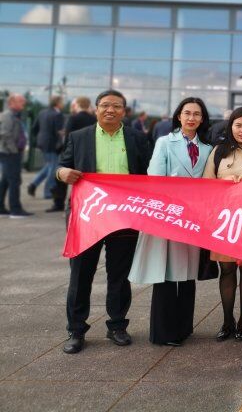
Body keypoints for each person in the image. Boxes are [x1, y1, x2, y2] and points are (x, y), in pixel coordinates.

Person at [56, 89, 152, 354]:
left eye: (117, 106)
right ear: (96, 109)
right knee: (80, 274)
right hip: (87, 216)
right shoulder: (79, 137)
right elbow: (61, 166)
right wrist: (62, 173)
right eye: (105, 105)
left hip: (124, 215)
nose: (111, 110)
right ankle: (76, 330)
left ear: (124, 111)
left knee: (119, 274)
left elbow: (149, 173)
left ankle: (117, 326)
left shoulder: (136, 138)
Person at [127, 98, 213, 346]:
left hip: (194, 218)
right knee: (166, 274)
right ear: (179, 116)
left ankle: (184, 328)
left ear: (202, 119)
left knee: (187, 274)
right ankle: (164, 332)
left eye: (197, 114)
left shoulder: (207, 148)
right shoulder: (165, 142)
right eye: (187, 113)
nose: (191, 118)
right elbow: (154, 178)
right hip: (169, 216)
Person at [203, 107, 242, 342]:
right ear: (230, 127)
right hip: (224, 221)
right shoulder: (218, 151)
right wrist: (225, 181)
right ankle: (227, 321)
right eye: (238, 125)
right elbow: (206, 184)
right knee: (227, 269)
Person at [47, 96, 97, 214]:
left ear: (77, 104)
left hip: (73, 152)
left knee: (61, 179)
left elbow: (67, 137)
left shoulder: (73, 118)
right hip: (88, 154)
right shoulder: (94, 118)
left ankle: (58, 203)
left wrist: (64, 152)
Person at [28, 94, 65, 201]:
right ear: (57, 103)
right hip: (53, 144)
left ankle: (33, 184)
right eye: (62, 102)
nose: (63, 104)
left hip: (42, 143)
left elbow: (34, 128)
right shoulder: (57, 115)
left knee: (49, 165)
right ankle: (48, 192)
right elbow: (59, 131)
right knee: (53, 168)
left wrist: (39, 138)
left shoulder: (42, 112)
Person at [0, 93, 31, 218]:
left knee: (6, 180)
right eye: (21, 101)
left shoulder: (15, 115)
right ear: (12, 102)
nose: (24, 103)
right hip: (10, 153)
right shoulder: (7, 116)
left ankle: (1, 208)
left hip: (12, 152)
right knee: (14, 181)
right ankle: (15, 210)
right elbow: (5, 134)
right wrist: (14, 150)